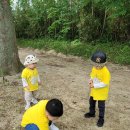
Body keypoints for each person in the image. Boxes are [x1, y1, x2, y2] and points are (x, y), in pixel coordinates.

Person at [84, 51, 111, 127]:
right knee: (91, 102)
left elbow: (105, 83)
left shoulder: (106, 72)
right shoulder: (94, 68)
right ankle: (92, 113)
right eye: (95, 65)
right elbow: (92, 74)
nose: (97, 67)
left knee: (101, 106)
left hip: (102, 92)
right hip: (94, 91)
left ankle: (101, 118)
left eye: (99, 65)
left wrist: (94, 86)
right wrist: (90, 80)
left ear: (104, 64)